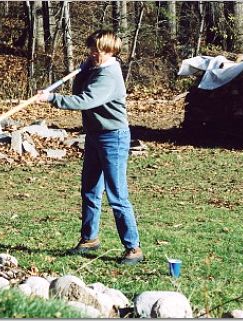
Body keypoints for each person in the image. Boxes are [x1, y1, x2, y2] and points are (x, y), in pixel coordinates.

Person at [36, 30, 143, 265]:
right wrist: (82, 71)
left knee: (117, 195)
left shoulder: (110, 75)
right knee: (90, 189)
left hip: (113, 137)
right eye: (92, 49)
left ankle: (133, 247)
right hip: (95, 135)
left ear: (111, 51)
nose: (93, 53)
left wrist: (52, 98)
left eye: (98, 50)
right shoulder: (96, 69)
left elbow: (85, 100)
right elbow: (79, 90)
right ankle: (89, 239)